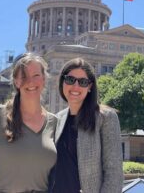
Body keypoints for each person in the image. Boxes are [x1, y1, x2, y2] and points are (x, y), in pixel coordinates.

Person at [0, 53, 57, 193]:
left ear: (44, 79)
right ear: (16, 81)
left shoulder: (55, 123)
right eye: (24, 76)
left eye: (36, 75)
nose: (31, 82)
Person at [49, 58, 123, 193]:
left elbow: (114, 173)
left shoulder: (106, 117)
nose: (76, 87)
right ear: (62, 82)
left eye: (83, 82)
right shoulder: (57, 119)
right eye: (70, 80)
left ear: (89, 87)